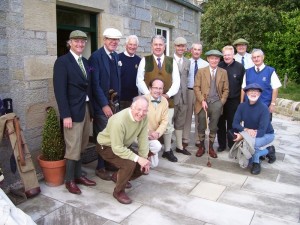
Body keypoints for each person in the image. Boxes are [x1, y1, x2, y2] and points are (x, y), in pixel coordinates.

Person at [53, 30, 96, 195]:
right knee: (73, 146)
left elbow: (88, 87)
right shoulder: (62, 62)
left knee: (83, 144)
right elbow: (60, 91)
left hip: (85, 109)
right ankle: (69, 180)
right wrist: (65, 115)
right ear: (69, 43)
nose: (80, 44)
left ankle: (78, 175)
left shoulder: (85, 62)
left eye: (83, 41)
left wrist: (91, 111)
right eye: (76, 41)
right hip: (71, 111)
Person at [96, 96, 151, 204]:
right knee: (129, 164)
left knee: (142, 165)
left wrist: (144, 158)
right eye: (138, 109)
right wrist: (138, 158)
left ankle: (118, 176)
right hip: (106, 146)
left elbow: (143, 138)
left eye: (144, 110)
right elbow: (117, 148)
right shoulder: (119, 120)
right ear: (132, 107)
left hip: (121, 145)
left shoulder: (144, 118)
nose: (141, 113)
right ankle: (118, 191)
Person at [136, 35, 180, 162]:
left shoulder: (171, 61)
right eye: (155, 44)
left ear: (164, 46)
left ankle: (167, 150)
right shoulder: (145, 60)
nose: (158, 47)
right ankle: (147, 149)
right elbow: (139, 80)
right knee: (147, 124)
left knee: (167, 125)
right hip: (147, 100)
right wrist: (148, 95)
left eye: (161, 45)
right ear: (152, 46)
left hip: (167, 99)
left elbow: (176, 81)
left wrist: (168, 94)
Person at [89, 28, 122, 180]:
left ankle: (109, 162)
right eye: (110, 39)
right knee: (102, 135)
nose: (113, 42)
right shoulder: (95, 57)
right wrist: (104, 105)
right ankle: (100, 166)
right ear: (104, 40)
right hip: (103, 105)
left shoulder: (115, 56)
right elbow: (94, 84)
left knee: (113, 135)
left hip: (114, 102)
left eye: (116, 40)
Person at [232, 83, 276, 175]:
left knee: (251, 143)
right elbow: (235, 124)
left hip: (267, 134)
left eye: (256, 91)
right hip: (251, 134)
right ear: (246, 93)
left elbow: (262, 131)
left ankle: (256, 163)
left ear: (259, 94)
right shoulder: (242, 106)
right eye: (251, 91)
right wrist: (246, 130)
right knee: (249, 145)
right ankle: (269, 151)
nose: (253, 93)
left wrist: (243, 136)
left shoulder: (264, 108)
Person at [194, 50, 229, 159]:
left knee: (213, 127)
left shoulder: (223, 72)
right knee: (201, 125)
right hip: (203, 103)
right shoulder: (201, 71)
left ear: (219, 60)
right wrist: (202, 100)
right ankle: (201, 146)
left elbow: (226, 89)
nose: (214, 60)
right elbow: (196, 87)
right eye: (212, 58)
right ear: (208, 59)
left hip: (216, 103)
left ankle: (210, 147)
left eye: (216, 58)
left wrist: (221, 103)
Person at [217, 45, 245, 152]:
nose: (227, 57)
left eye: (229, 55)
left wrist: (242, 102)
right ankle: (221, 144)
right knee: (220, 123)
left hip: (234, 100)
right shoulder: (219, 66)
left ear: (233, 55)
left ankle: (231, 145)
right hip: (220, 100)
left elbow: (243, 85)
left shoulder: (240, 67)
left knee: (232, 124)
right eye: (224, 55)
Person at [241, 49, 282, 120]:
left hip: (265, 105)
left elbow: (275, 88)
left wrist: (273, 104)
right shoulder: (247, 72)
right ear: (252, 59)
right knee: (251, 129)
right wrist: (241, 102)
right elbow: (243, 88)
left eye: (258, 56)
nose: (256, 59)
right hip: (250, 106)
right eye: (254, 57)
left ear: (263, 57)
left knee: (264, 128)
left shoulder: (270, 71)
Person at [182, 43, 209, 148]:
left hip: (200, 93)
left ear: (201, 52)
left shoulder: (205, 64)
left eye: (199, 49)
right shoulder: (186, 62)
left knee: (199, 116)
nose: (197, 51)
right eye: (195, 49)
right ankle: (185, 138)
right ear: (191, 51)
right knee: (187, 116)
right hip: (188, 91)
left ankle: (199, 139)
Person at [173, 37, 191, 155]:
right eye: (179, 46)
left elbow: (186, 78)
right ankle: (167, 147)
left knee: (180, 121)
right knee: (169, 121)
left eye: (183, 46)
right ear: (175, 47)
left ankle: (179, 146)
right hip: (172, 96)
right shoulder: (168, 60)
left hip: (184, 96)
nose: (181, 48)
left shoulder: (187, 61)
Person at [145, 79, 169, 167]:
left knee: (154, 164)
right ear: (150, 88)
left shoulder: (164, 101)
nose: (158, 91)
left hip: (154, 135)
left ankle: (145, 156)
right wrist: (148, 132)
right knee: (157, 146)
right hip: (140, 134)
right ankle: (141, 158)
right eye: (155, 88)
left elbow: (164, 121)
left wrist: (157, 133)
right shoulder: (143, 100)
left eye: (160, 88)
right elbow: (137, 122)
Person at [119, 35, 141, 109]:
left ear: (137, 46)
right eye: (130, 44)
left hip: (134, 99)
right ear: (126, 45)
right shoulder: (118, 57)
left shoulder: (139, 60)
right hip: (120, 99)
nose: (132, 47)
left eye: (134, 45)